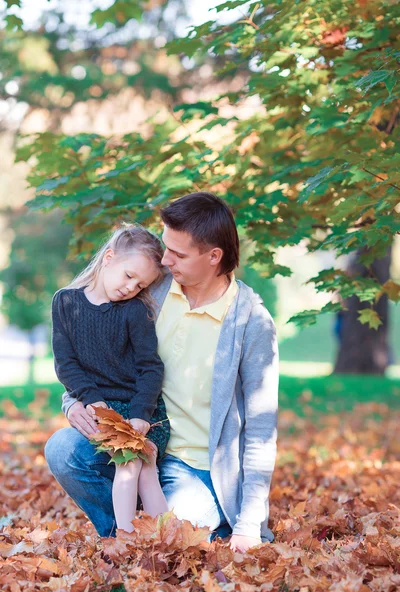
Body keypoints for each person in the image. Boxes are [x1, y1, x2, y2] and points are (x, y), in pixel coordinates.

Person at [45, 192, 279, 553]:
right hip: (134, 430)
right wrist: (73, 401)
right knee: (63, 449)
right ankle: (124, 538)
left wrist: (249, 523)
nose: (165, 260)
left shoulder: (250, 322)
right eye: (165, 248)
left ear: (213, 257)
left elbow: (262, 429)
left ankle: (175, 530)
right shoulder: (151, 288)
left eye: (178, 254)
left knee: (177, 528)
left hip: (198, 467)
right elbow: (94, 350)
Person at [50, 225, 170, 533]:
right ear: (108, 258)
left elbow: (150, 367)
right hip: (102, 410)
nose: (131, 288)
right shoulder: (65, 303)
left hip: (141, 410)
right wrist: (94, 401)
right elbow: (66, 364)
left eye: (141, 284)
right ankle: (129, 539)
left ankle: (158, 542)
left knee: (139, 470)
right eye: (129, 276)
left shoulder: (135, 310)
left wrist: (142, 415)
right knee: (132, 467)